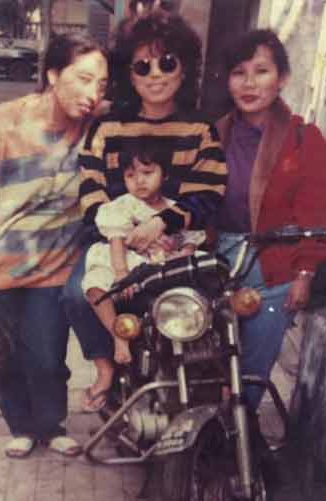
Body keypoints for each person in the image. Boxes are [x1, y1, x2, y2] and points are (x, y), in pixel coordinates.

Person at [0, 32, 108, 459]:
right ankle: (20, 425)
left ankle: (51, 425)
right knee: (1, 358)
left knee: (48, 357)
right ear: (52, 74)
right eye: (83, 79)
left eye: (102, 85)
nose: (92, 94)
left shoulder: (95, 129)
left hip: (53, 268)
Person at [62, 10, 227, 413]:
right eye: (142, 66)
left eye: (167, 62)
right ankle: (105, 367)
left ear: (184, 68)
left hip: (173, 243)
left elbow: (208, 192)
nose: (155, 74)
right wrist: (121, 235)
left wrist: (161, 224)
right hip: (115, 243)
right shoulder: (106, 129)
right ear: (129, 74)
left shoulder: (201, 130)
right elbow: (91, 189)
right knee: (72, 295)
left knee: (217, 306)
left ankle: (212, 389)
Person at [214, 29, 326, 409]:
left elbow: (319, 209)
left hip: (273, 272)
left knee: (251, 370)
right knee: (208, 361)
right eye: (239, 72)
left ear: (282, 78)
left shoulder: (303, 138)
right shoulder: (212, 134)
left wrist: (305, 274)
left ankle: (241, 443)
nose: (249, 83)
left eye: (262, 71)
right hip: (216, 265)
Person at [80, 143, 205, 408]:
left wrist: (182, 252)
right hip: (125, 263)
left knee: (201, 278)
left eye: (147, 172)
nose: (139, 181)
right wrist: (124, 276)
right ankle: (118, 336)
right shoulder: (121, 207)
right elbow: (116, 244)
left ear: (165, 175)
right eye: (130, 175)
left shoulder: (174, 209)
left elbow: (190, 242)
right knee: (94, 286)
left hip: (163, 267)